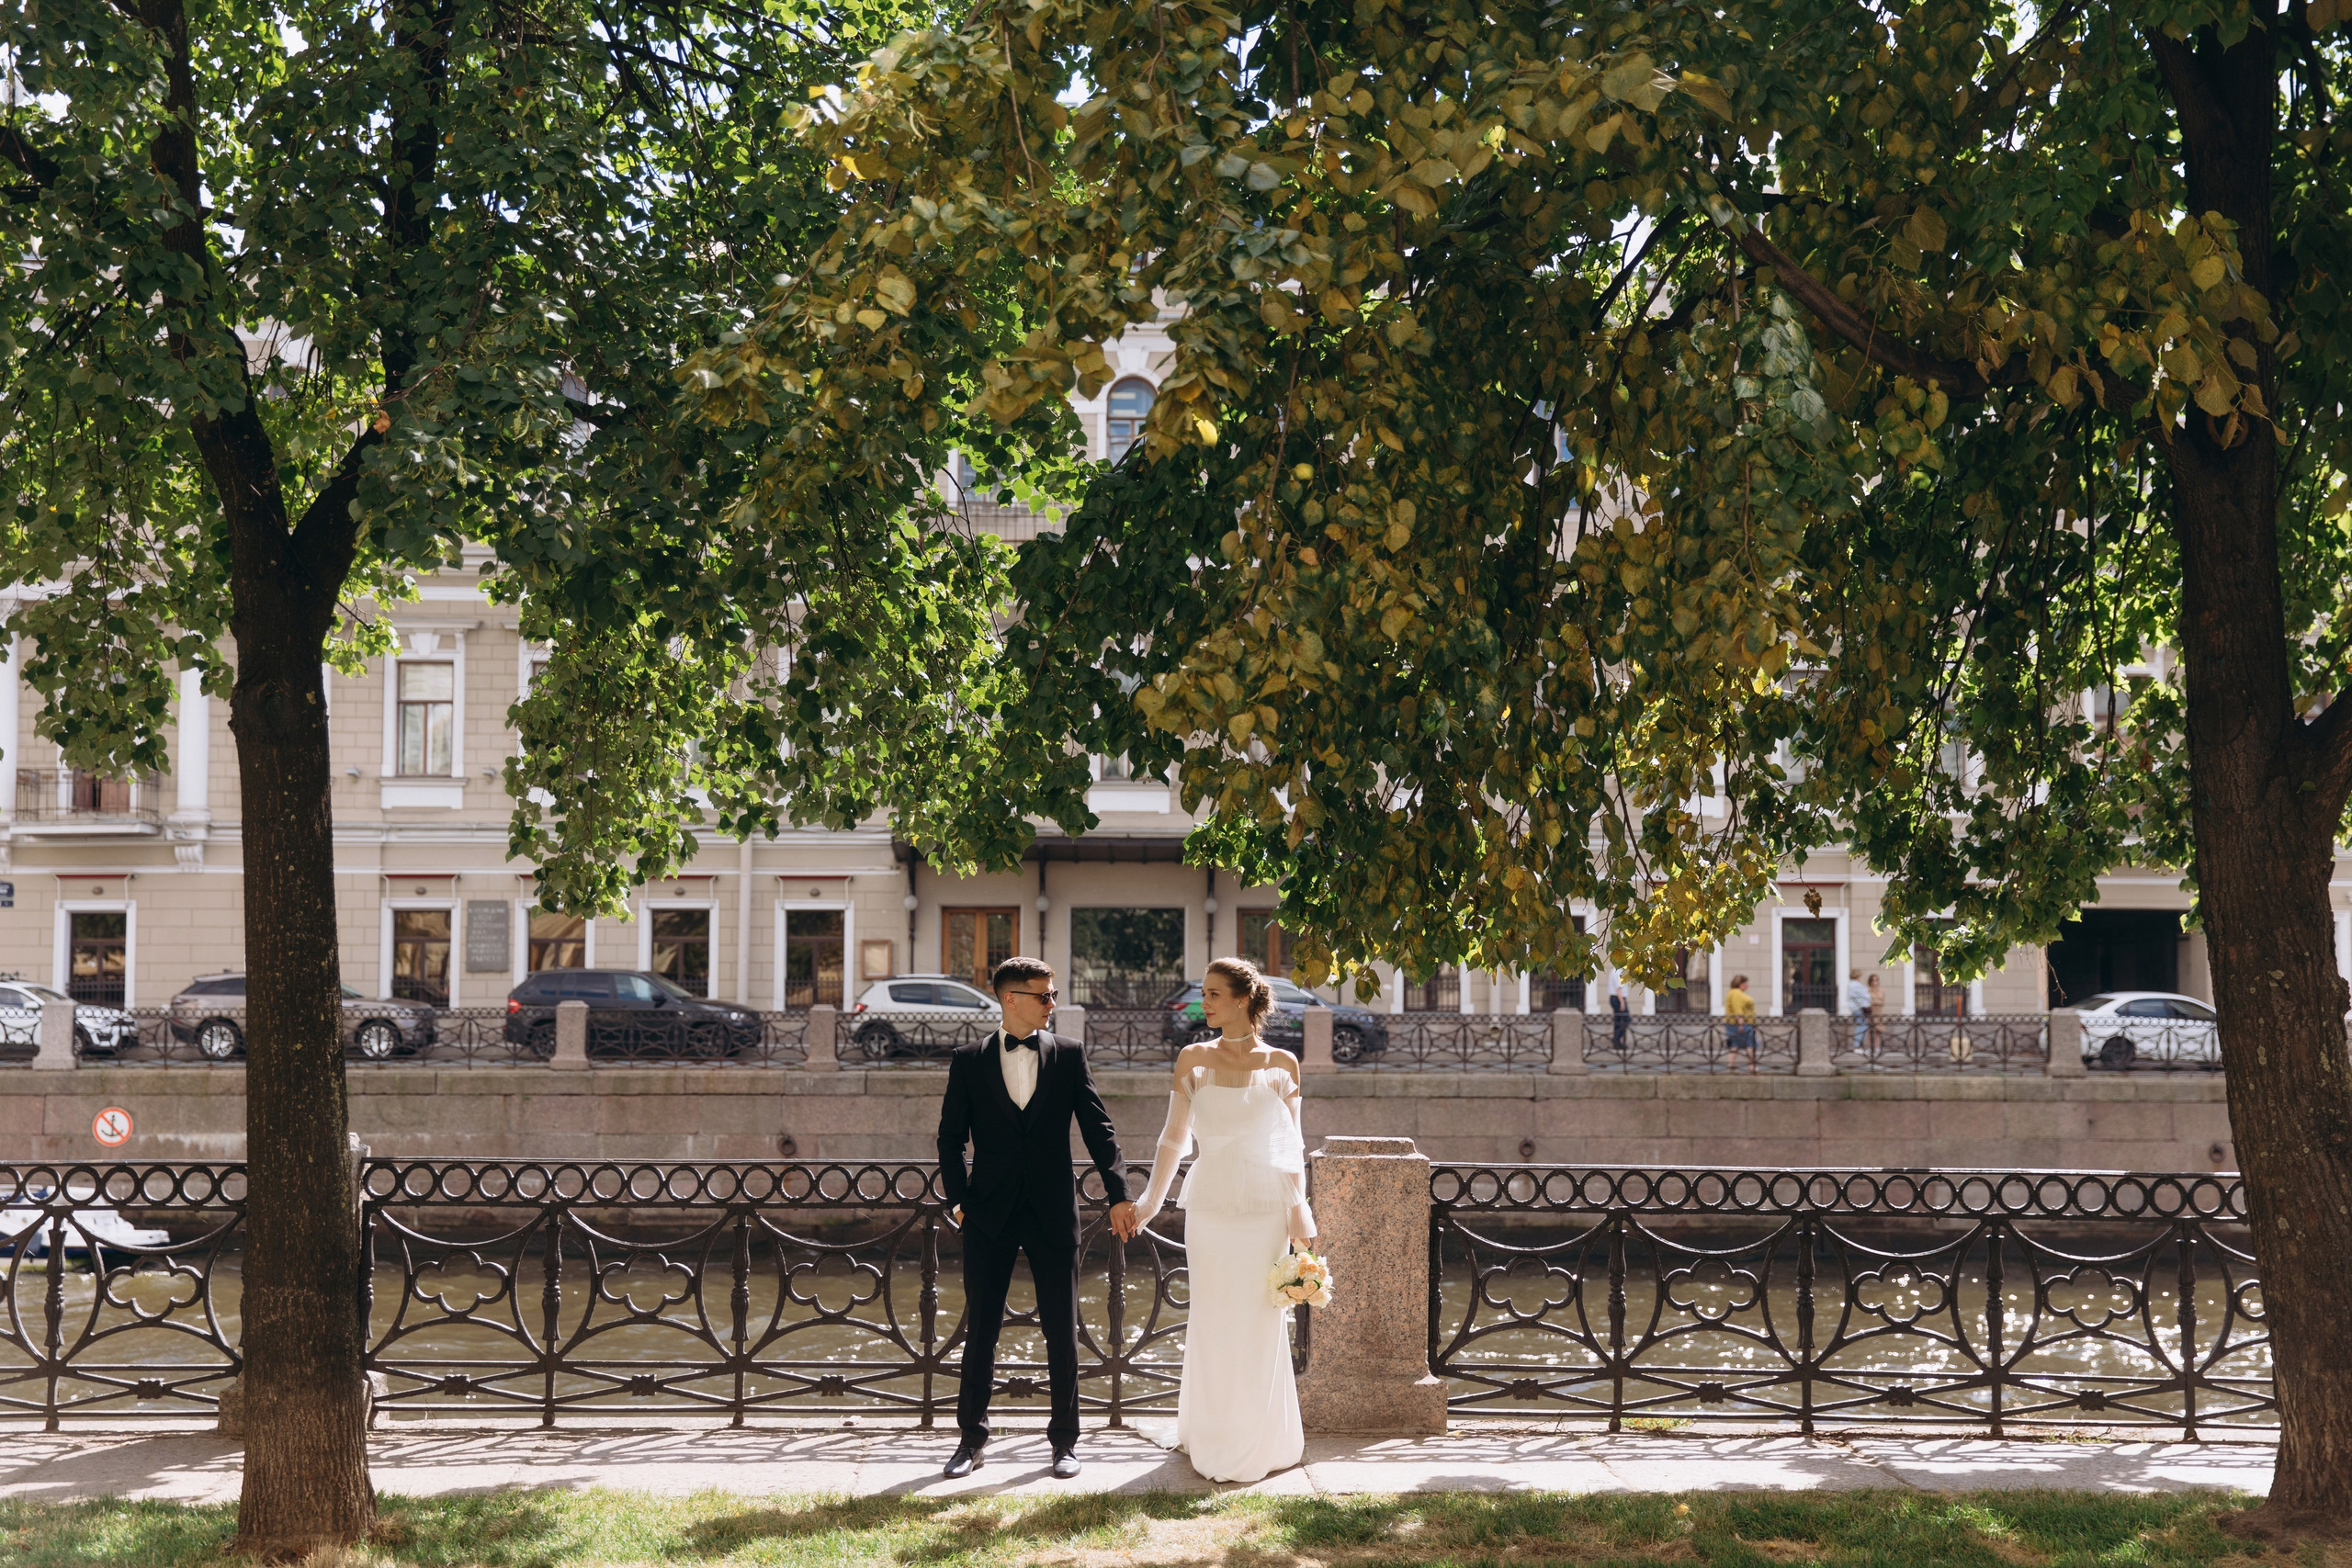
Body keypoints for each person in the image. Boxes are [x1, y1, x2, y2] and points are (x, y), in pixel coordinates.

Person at [1111, 956, 1315, 1483]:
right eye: (1204, 993)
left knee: (1258, 1320)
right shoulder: (1192, 1060)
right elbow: (1173, 1140)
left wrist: (1299, 1218)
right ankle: (1208, 1433)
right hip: (1210, 1208)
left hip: (1265, 1210)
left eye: (1214, 994)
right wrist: (1151, 1203)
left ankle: (1260, 1438)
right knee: (1211, 1319)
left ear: (1243, 999)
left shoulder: (1283, 1065)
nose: (1205, 1002)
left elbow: (1291, 1150)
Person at [936, 956, 1135, 1480]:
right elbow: (950, 1138)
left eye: (1052, 994)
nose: (1052, 1004)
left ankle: (1064, 1443)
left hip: (1052, 1211)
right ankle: (970, 1440)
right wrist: (959, 1201)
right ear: (1010, 998)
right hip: (987, 1214)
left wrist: (1118, 1193)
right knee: (980, 1331)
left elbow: (1099, 1128)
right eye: (1043, 995)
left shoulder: (1069, 1055)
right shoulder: (968, 1059)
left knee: (1061, 1331)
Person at [1724, 974, 1758, 1066]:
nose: (1748, 985)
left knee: (1735, 1045)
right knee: (1750, 1044)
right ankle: (1752, 1066)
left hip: (1735, 1024)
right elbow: (1737, 1010)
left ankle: (1731, 1066)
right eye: (1746, 983)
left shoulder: (1734, 992)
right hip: (1741, 1024)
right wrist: (1741, 1024)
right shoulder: (1736, 993)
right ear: (1741, 984)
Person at [1846, 968, 1872, 1057]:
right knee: (1862, 1026)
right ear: (1857, 976)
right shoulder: (1856, 985)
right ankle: (1857, 1046)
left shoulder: (1851, 985)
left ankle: (1859, 1046)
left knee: (1862, 1025)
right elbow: (1866, 996)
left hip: (1856, 1008)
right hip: (1859, 1009)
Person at [1609, 985, 1631, 1053]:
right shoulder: (1617, 974)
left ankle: (1617, 1041)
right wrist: (1622, 1002)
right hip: (1618, 998)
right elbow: (1618, 988)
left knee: (1618, 1021)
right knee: (1626, 1019)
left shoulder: (1614, 973)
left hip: (1617, 998)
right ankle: (1616, 1038)